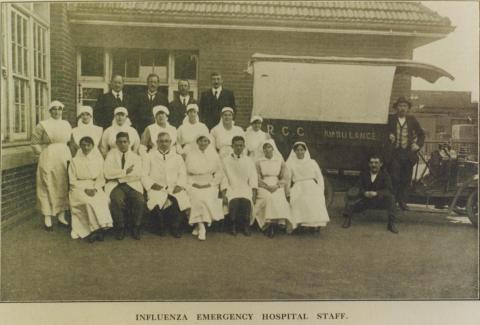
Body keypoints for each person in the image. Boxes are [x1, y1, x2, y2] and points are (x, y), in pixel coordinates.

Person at [31, 100, 72, 231]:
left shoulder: (66, 124)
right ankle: (47, 216)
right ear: (50, 111)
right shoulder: (43, 125)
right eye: (54, 109)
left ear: (62, 110)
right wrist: (42, 153)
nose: (56, 111)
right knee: (47, 183)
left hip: (64, 155)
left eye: (59, 109)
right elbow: (35, 142)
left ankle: (61, 215)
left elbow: (70, 141)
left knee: (63, 183)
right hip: (49, 157)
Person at [142, 132, 190, 238]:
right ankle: (160, 226)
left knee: (181, 199)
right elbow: (144, 175)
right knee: (156, 201)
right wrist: (152, 185)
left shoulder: (177, 157)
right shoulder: (149, 156)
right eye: (161, 141)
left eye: (166, 141)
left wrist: (180, 185)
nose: (164, 143)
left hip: (174, 187)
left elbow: (183, 174)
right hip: (157, 187)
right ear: (157, 142)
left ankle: (175, 227)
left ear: (171, 143)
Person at [69, 136, 113, 242]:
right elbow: (72, 181)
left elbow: (101, 177)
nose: (86, 147)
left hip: (95, 185)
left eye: (88, 145)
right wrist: (85, 189)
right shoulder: (74, 161)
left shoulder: (98, 160)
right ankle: (95, 230)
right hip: (78, 187)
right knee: (88, 202)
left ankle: (102, 227)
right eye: (83, 145)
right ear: (80, 146)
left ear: (93, 146)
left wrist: (95, 188)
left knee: (103, 199)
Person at [385, 96, 425, 211]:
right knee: (394, 177)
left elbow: (421, 134)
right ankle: (392, 202)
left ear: (408, 108)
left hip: (408, 154)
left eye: (405, 106)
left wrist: (417, 145)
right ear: (396, 107)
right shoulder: (390, 119)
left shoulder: (412, 119)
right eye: (400, 106)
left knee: (406, 178)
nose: (402, 108)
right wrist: (388, 135)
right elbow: (383, 131)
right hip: (394, 153)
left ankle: (402, 201)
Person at [104, 132, 145, 240]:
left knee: (139, 200)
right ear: (116, 143)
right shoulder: (111, 155)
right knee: (116, 200)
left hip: (132, 185)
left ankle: (136, 227)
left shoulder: (135, 157)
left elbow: (137, 175)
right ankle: (120, 227)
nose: (122, 144)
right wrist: (125, 171)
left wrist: (118, 175)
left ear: (129, 143)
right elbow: (107, 173)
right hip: (116, 185)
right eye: (120, 142)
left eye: (125, 142)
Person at [342, 155, 398, 233]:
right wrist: (364, 192)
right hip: (365, 200)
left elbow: (389, 190)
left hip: (379, 201)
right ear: (369, 164)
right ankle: (347, 219)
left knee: (391, 198)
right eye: (371, 163)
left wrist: (376, 193)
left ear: (381, 164)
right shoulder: (364, 174)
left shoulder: (385, 175)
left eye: (376, 163)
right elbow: (357, 187)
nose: (373, 165)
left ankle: (391, 224)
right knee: (351, 194)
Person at [185, 134, 224, 241]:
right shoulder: (191, 155)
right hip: (194, 183)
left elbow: (219, 173)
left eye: (206, 141)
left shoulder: (214, 155)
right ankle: (202, 227)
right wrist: (192, 183)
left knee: (206, 197)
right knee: (197, 197)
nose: (203, 143)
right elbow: (186, 173)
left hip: (209, 183)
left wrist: (211, 184)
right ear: (197, 142)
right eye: (201, 141)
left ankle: (199, 225)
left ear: (209, 143)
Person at [286, 142, 329, 233]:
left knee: (314, 199)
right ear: (294, 151)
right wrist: (288, 191)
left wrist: (320, 189)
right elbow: (288, 178)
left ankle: (314, 225)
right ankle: (300, 223)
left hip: (311, 186)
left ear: (305, 151)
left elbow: (319, 177)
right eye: (297, 150)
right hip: (298, 186)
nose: (300, 152)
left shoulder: (312, 162)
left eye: (302, 150)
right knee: (297, 200)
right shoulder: (290, 164)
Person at [253, 139, 294, 238]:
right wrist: (265, 186)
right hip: (263, 185)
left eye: (269, 147)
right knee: (268, 197)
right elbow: (256, 177)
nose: (267, 150)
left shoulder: (279, 161)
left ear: (273, 148)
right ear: (262, 150)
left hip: (276, 184)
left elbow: (285, 177)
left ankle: (279, 222)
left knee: (279, 196)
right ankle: (268, 224)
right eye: (265, 148)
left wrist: (277, 186)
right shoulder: (258, 162)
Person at [221, 136, 258, 236]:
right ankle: (233, 225)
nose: (238, 148)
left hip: (245, 187)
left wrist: (254, 193)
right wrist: (224, 193)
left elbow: (253, 177)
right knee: (234, 200)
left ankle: (245, 226)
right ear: (232, 146)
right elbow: (223, 177)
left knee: (246, 200)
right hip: (232, 186)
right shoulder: (226, 160)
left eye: (241, 145)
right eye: (236, 145)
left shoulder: (249, 160)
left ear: (244, 146)